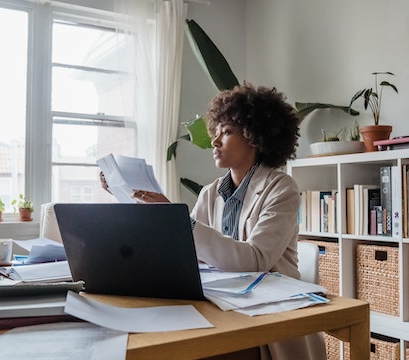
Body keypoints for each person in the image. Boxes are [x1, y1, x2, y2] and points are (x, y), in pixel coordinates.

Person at [102, 83, 325, 360]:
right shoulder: (210, 193)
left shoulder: (281, 188)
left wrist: (182, 220)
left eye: (227, 132)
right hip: (220, 307)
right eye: (216, 132)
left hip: (264, 320)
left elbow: (253, 261)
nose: (215, 142)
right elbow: (186, 252)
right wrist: (128, 193)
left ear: (254, 137)